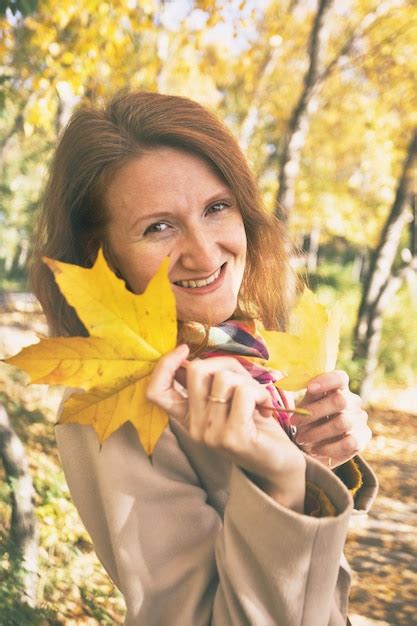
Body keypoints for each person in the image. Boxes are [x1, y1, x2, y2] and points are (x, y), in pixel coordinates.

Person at [30, 90, 378, 625]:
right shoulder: (115, 408)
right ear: (100, 255)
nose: (205, 251)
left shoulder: (243, 346)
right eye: (159, 227)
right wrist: (282, 481)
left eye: (217, 208)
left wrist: (319, 454)